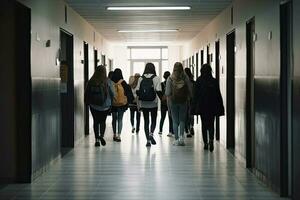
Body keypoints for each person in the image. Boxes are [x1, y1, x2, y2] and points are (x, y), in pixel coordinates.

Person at [192, 64, 224, 152]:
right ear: (210, 70)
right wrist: (221, 107)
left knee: (204, 124)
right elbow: (218, 94)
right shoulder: (214, 81)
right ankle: (211, 140)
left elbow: (195, 95)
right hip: (212, 106)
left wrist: (194, 106)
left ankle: (205, 143)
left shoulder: (199, 80)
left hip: (202, 106)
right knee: (211, 124)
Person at [84, 65, 115, 147]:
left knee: (95, 121)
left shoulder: (91, 81)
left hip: (94, 105)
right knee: (103, 121)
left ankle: (97, 139)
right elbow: (112, 94)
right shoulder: (108, 81)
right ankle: (101, 136)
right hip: (105, 106)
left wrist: (87, 102)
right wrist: (111, 103)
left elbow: (87, 93)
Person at [136, 63, 163, 147]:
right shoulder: (156, 78)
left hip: (144, 103)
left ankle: (148, 141)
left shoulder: (141, 78)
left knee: (146, 121)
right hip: (153, 102)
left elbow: (137, 91)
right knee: (154, 120)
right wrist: (163, 100)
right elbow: (158, 90)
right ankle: (151, 134)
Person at [165, 62, 192, 146]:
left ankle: (176, 139)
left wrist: (168, 104)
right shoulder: (185, 77)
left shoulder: (170, 78)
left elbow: (167, 92)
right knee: (182, 120)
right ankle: (181, 138)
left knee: (175, 121)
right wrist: (190, 98)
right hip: (183, 101)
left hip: (173, 102)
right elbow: (190, 89)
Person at [111, 68, 134, 142]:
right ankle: (119, 135)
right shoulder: (123, 83)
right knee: (120, 119)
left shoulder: (111, 82)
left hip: (113, 104)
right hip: (122, 104)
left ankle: (114, 134)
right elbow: (128, 93)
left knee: (114, 119)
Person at [159, 71, 173, 137]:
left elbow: (159, 92)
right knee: (170, 117)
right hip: (170, 102)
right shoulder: (172, 83)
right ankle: (170, 131)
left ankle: (160, 130)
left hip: (163, 103)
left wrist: (161, 98)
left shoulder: (162, 84)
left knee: (162, 117)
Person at [184, 68, 196, 138]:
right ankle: (191, 126)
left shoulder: (183, 81)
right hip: (192, 100)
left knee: (185, 115)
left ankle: (187, 130)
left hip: (184, 100)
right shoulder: (193, 82)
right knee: (191, 114)